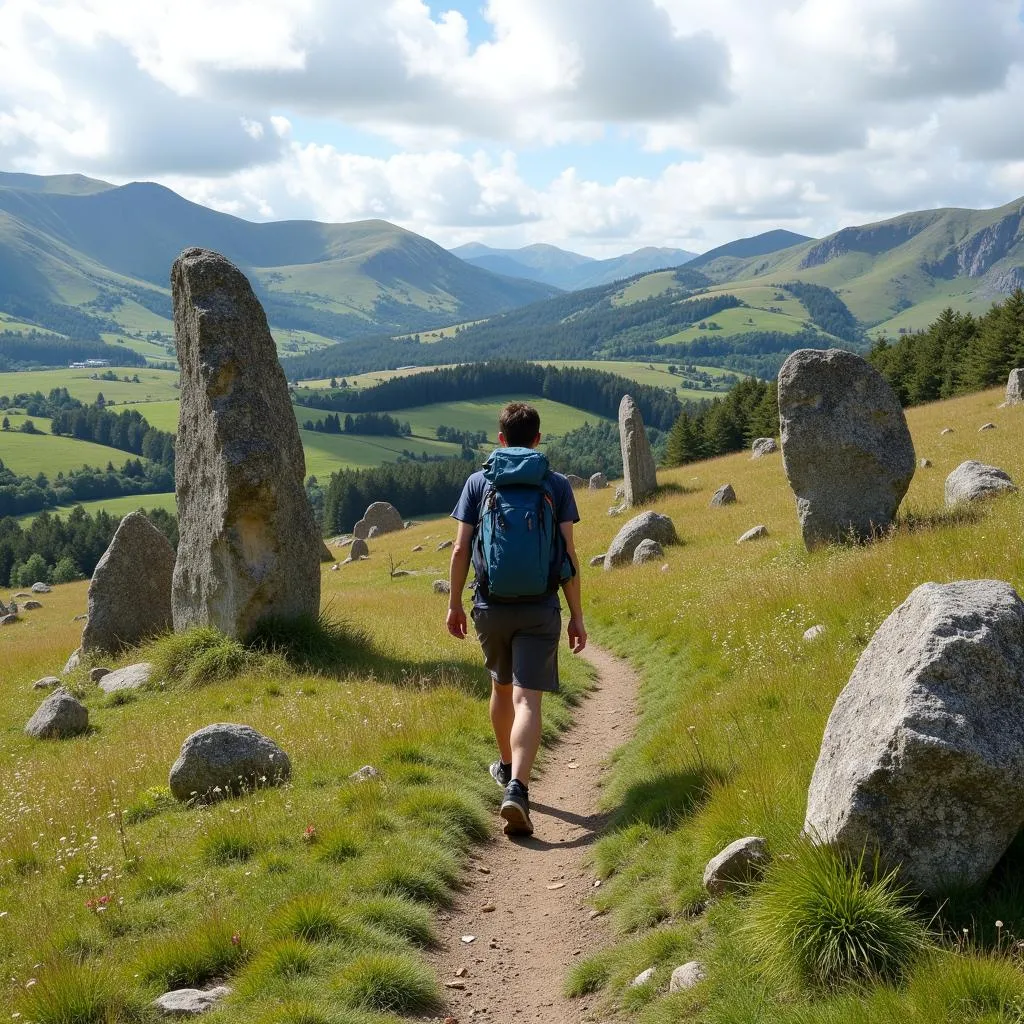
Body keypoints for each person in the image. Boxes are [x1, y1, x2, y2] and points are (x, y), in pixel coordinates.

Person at [446, 402, 587, 836]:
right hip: (541, 606)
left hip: (490, 605)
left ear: (501, 439)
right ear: (538, 439)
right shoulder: (556, 484)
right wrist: (577, 616)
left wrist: (453, 603)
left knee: (501, 688)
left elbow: (460, 551)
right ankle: (518, 789)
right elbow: (568, 556)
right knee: (529, 700)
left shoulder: (478, 482)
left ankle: (506, 766)